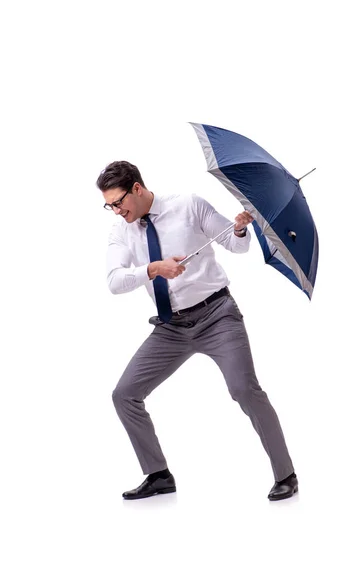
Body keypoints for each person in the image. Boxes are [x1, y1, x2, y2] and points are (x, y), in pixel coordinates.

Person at [96, 160, 298, 501]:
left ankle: (286, 474)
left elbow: (236, 246)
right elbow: (115, 282)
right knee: (124, 394)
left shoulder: (187, 205)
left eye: (118, 202)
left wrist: (237, 229)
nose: (116, 211)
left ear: (137, 189)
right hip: (170, 327)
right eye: (109, 205)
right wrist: (153, 269)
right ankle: (158, 475)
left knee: (244, 390)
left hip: (218, 316)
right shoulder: (122, 231)